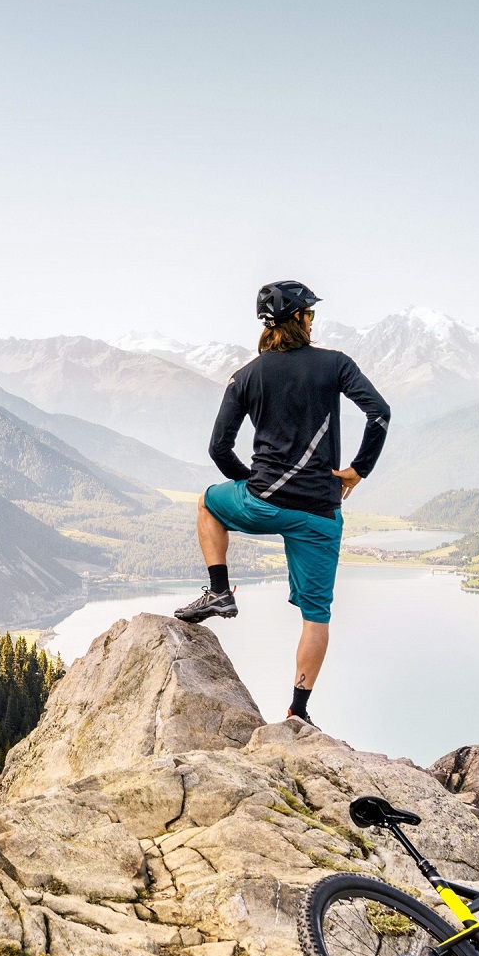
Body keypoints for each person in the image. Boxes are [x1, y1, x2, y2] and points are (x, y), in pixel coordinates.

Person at [174, 279, 390, 728]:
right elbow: (379, 413)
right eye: (310, 313)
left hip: (262, 502)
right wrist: (358, 469)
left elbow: (218, 448)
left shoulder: (246, 376)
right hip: (320, 512)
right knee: (316, 616)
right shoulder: (335, 365)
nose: (313, 320)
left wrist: (254, 485)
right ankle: (299, 711)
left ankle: (219, 591)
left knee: (208, 504)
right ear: (298, 318)